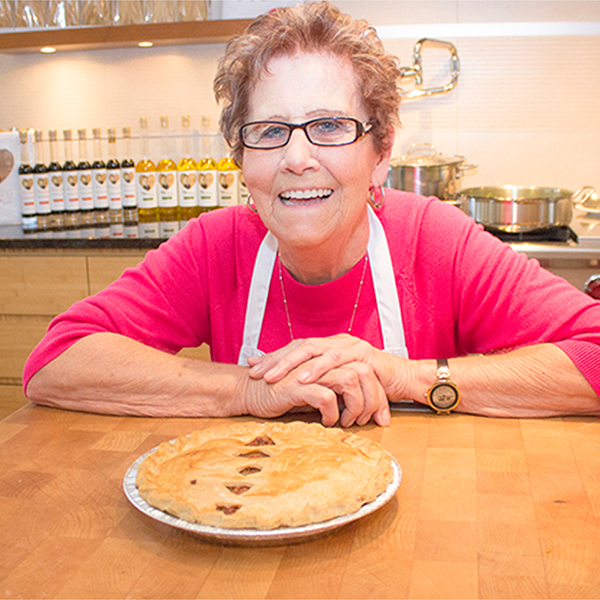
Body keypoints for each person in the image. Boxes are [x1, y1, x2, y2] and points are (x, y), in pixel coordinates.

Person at [24, 1, 600, 426]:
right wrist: (246, 391)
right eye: (270, 131)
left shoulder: (434, 240)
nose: (297, 159)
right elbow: (56, 361)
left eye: (329, 126)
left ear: (381, 153)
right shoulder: (216, 244)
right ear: (242, 161)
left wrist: (412, 377)